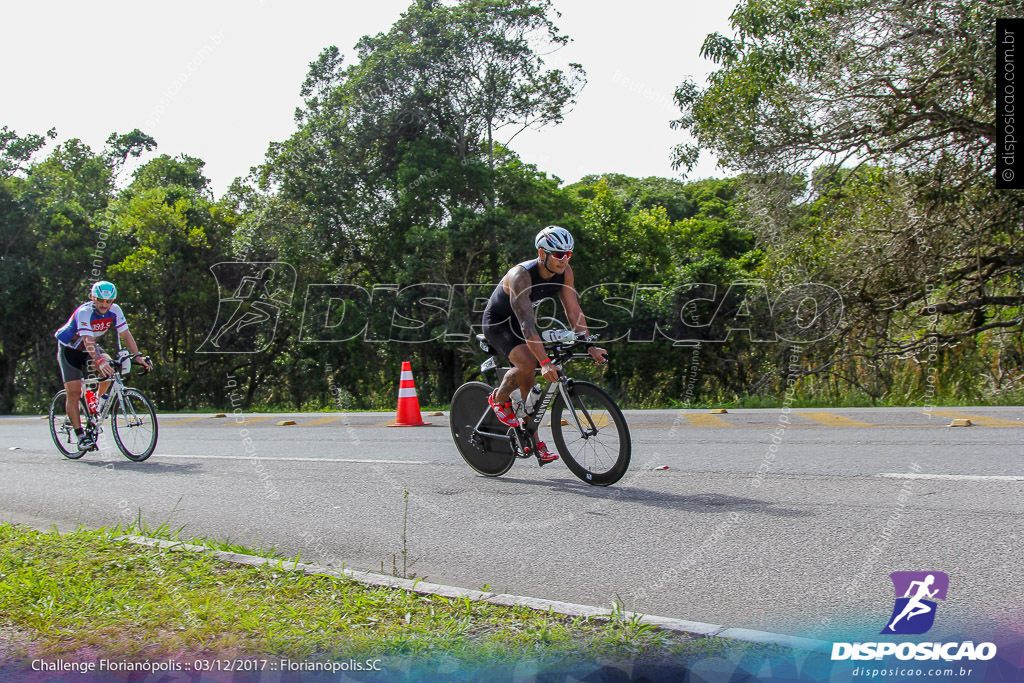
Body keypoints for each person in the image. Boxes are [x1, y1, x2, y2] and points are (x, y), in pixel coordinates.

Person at [482, 226, 608, 464]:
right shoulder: (522, 276)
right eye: (559, 255)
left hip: (525, 322)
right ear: (542, 253)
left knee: (530, 381)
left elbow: (573, 311)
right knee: (529, 363)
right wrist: (545, 362)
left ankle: (533, 439)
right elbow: (527, 326)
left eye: (568, 254)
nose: (564, 260)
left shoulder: (564, 272)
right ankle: (498, 399)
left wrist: (589, 345)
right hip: (499, 324)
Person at [54, 281, 150, 450]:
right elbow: (88, 341)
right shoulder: (85, 312)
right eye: (100, 300)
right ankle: (81, 436)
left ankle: (96, 403)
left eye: (109, 301)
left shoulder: (115, 310)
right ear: (93, 298)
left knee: (110, 368)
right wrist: (99, 360)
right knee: (74, 392)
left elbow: (126, 334)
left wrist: (138, 356)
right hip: (70, 349)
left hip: (88, 348)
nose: (104, 304)